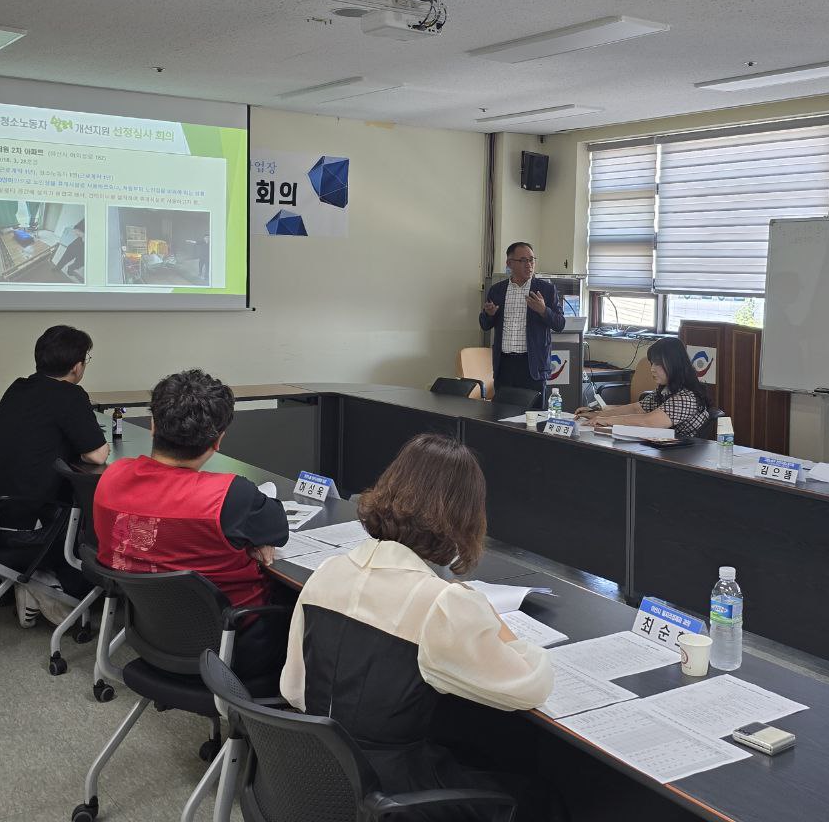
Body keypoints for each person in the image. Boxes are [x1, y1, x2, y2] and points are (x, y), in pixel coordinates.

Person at [281, 434, 562, 822]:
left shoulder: (327, 572)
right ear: (464, 519)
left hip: (316, 774)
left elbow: (293, 690)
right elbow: (531, 685)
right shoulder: (440, 604)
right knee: (538, 796)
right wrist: (497, 624)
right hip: (392, 796)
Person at [94, 369, 290, 683]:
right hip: (236, 645)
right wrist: (250, 537)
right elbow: (278, 529)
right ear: (219, 439)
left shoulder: (112, 477)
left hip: (149, 634)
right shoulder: (230, 497)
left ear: (153, 425)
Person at [0, 325, 109, 522]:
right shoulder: (70, 394)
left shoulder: (19, 387)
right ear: (76, 366)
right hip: (27, 513)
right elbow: (98, 456)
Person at [478, 242, 566, 408]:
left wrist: (543, 310)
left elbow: (560, 324)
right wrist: (488, 315)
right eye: (524, 260)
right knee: (501, 416)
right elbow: (484, 325)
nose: (529, 265)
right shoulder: (497, 290)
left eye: (532, 260)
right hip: (504, 365)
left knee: (534, 419)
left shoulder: (546, 290)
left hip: (532, 366)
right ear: (509, 263)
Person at [575, 336, 713, 441]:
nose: (652, 369)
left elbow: (649, 421)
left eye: (658, 364)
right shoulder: (666, 390)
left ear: (674, 364)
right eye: (652, 363)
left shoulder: (687, 397)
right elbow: (636, 408)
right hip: (665, 449)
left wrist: (607, 420)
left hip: (685, 457)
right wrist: (596, 414)